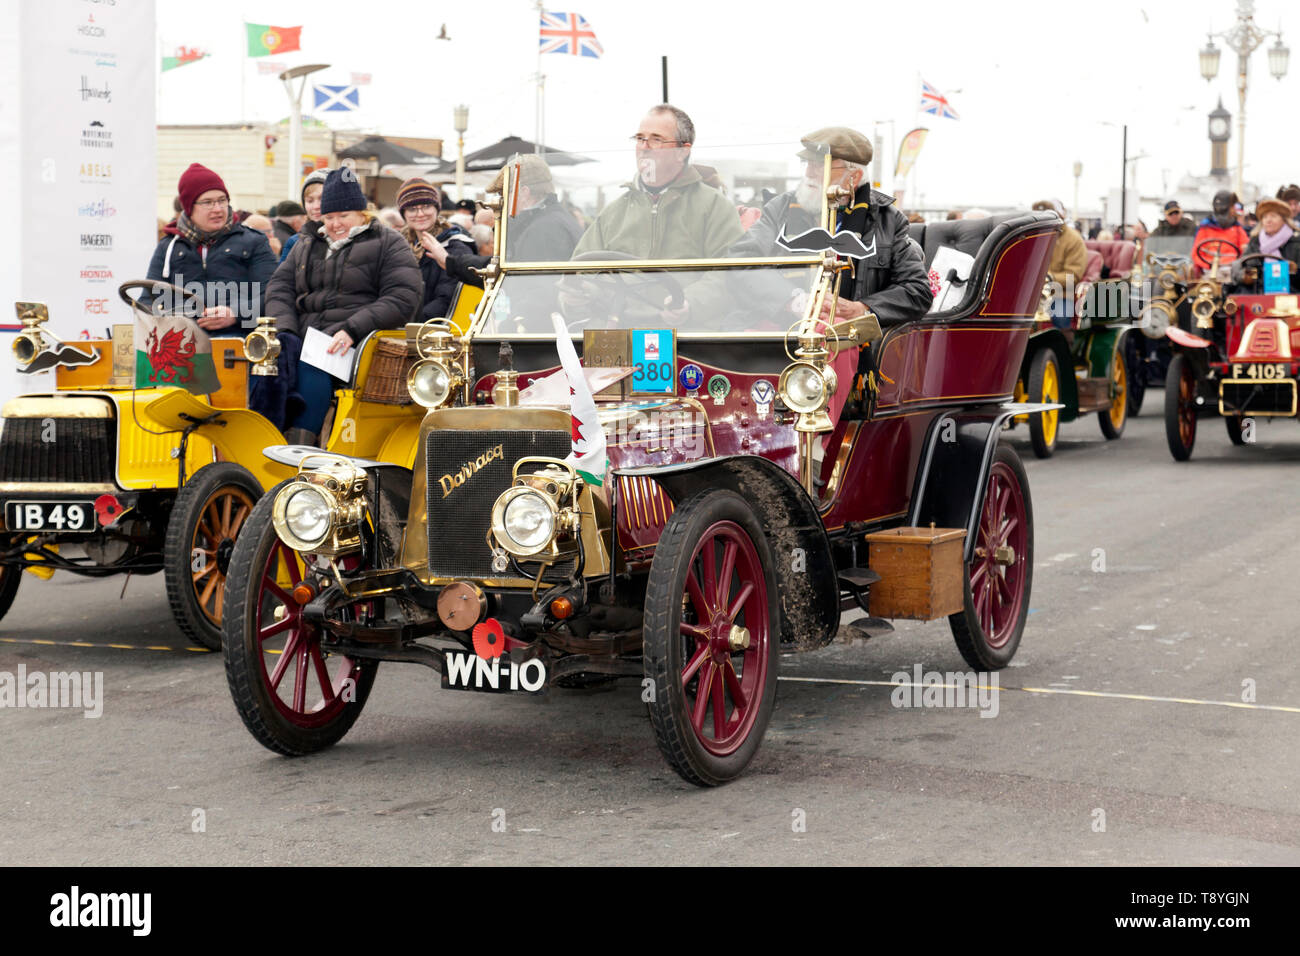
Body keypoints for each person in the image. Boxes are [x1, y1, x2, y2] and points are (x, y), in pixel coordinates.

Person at [262, 167, 423, 443]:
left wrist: (352, 329)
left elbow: (403, 296)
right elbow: (279, 288)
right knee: (263, 366)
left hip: (356, 340)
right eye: (329, 217)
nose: (335, 224)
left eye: (343, 216)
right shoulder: (307, 243)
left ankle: (299, 447)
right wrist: (285, 332)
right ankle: (262, 440)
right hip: (303, 334)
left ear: (362, 213)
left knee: (315, 366)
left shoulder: (387, 242)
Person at [737, 127, 931, 325]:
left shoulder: (888, 220)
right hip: (782, 337)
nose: (808, 173)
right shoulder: (780, 209)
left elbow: (917, 290)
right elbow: (740, 261)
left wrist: (861, 309)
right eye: (808, 163)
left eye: (820, 165)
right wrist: (793, 299)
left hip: (856, 346)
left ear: (853, 177)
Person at [571, 103, 744, 259]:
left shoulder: (715, 208)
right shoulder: (613, 214)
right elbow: (578, 272)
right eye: (640, 139)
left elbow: (727, 275)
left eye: (656, 140)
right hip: (619, 296)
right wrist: (583, 289)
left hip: (682, 295)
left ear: (682, 152)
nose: (644, 148)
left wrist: (692, 296)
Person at [145, 162, 278, 330]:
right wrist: (174, 320)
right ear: (188, 207)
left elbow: (273, 295)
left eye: (222, 201)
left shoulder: (254, 242)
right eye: (207, 202)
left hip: (240, 342)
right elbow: (147, 300)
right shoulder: (168, 247)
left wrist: (234, 314)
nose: (218, 209)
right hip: (182, 344)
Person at [430, 152, 583, 289]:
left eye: (504, 194)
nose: (500, 202)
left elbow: (523, 287)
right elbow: (502, 268)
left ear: (523, 193)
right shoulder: (551, 220)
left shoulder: (544, 229)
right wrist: (450, 261)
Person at [395, 177, 461, 321]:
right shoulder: (398, 247)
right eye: (412, 209)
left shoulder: (455, 245)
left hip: (436, 332)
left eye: (426, 206)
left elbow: (448, 299)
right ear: (404, 214)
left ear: (437, 209)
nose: (420, 214)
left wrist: (410, 323)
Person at [1245, 197, 1300, 292]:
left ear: (1284, 219)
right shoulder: (1254, 241)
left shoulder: (1296, 241)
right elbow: (1241, 265)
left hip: (1292, 294)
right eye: (1265, 217)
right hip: (1258, 293)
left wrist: (1293, 272)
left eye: (1273, 216)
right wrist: (1244, 275)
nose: (1268, 220)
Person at [1032, 198, 1087, 285]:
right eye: (1038, 217)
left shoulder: (1074, 240)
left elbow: (1072, 277)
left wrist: (1048, 278)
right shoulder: (1033, 238)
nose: (1043, 221)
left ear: (1060, 216)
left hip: (1060, 294)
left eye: (1048, 216)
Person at [279, 168, 329, 263]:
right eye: (310, 201)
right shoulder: (295, 242)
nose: (316, 206)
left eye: (322, 199)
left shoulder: (352, 238)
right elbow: (280, 277)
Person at [1192, 189, 1249, 271]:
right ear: (1225, 209)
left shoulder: (1237, 228)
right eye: (1232, 206)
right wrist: (1210, 265)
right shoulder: (1205, 227)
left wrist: (1236, 264)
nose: (1234, 209)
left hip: (1232, 270)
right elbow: (1196, 254)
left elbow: (1245, 251)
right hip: (1209, 271)